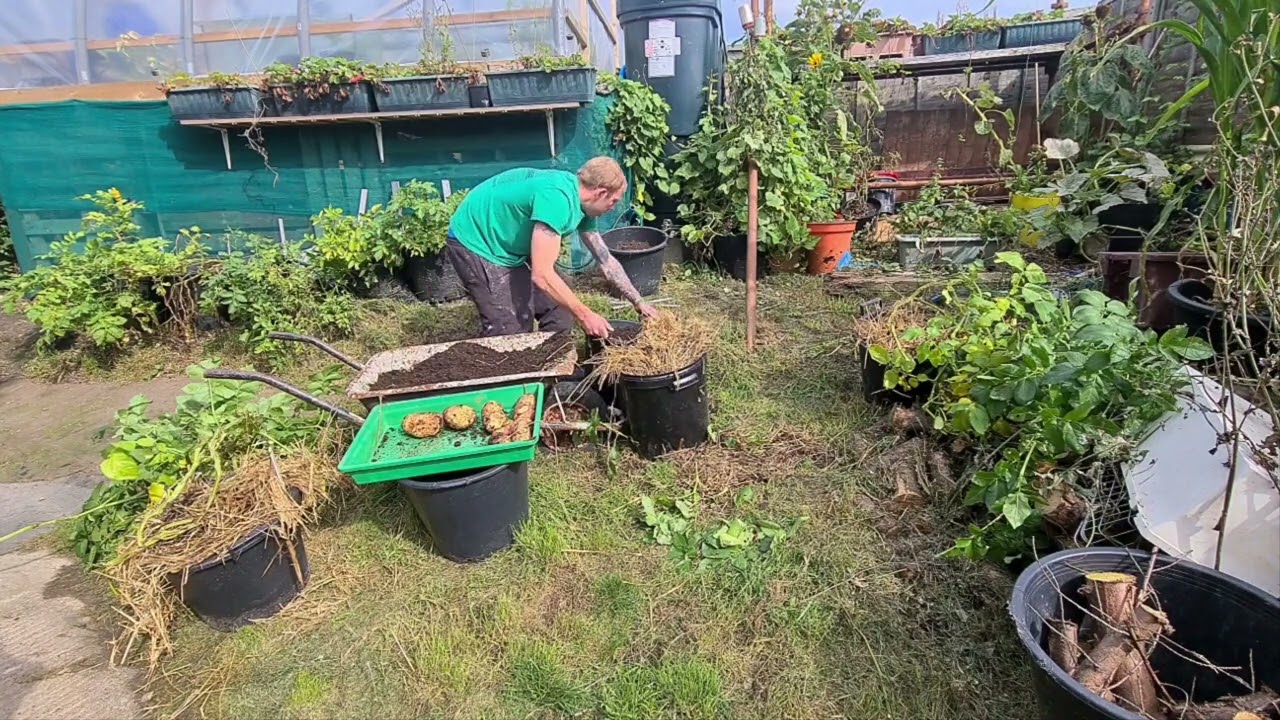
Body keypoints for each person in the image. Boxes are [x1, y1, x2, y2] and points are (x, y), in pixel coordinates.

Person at [446, 157, 658, 339]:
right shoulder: (558, 200)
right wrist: (585, 314)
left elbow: (606, 260)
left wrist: (638, 302)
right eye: (613, 202)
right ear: (600, 193)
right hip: (477, 240)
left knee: (559, 310)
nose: (612, 208)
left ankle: (554, 372)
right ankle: (514, 381)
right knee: (511, 331)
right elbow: (542, 275)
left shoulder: (583, 205)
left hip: (508, 240)